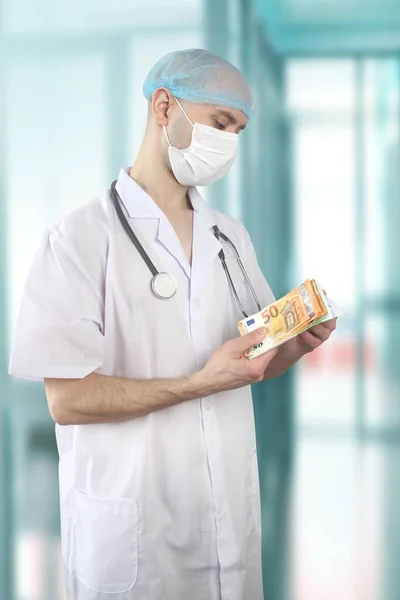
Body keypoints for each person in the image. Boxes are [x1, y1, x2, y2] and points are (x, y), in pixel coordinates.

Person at [9, 49, 336, 600]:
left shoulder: (229, 237)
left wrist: (294, 346)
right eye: (221, 123)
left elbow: (250, 362)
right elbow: (66, 399)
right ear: (164, 107)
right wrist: (197, 383)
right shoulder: (80, 239)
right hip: (134, 535)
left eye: (239, 130)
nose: (230, 142)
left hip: (226, 523)